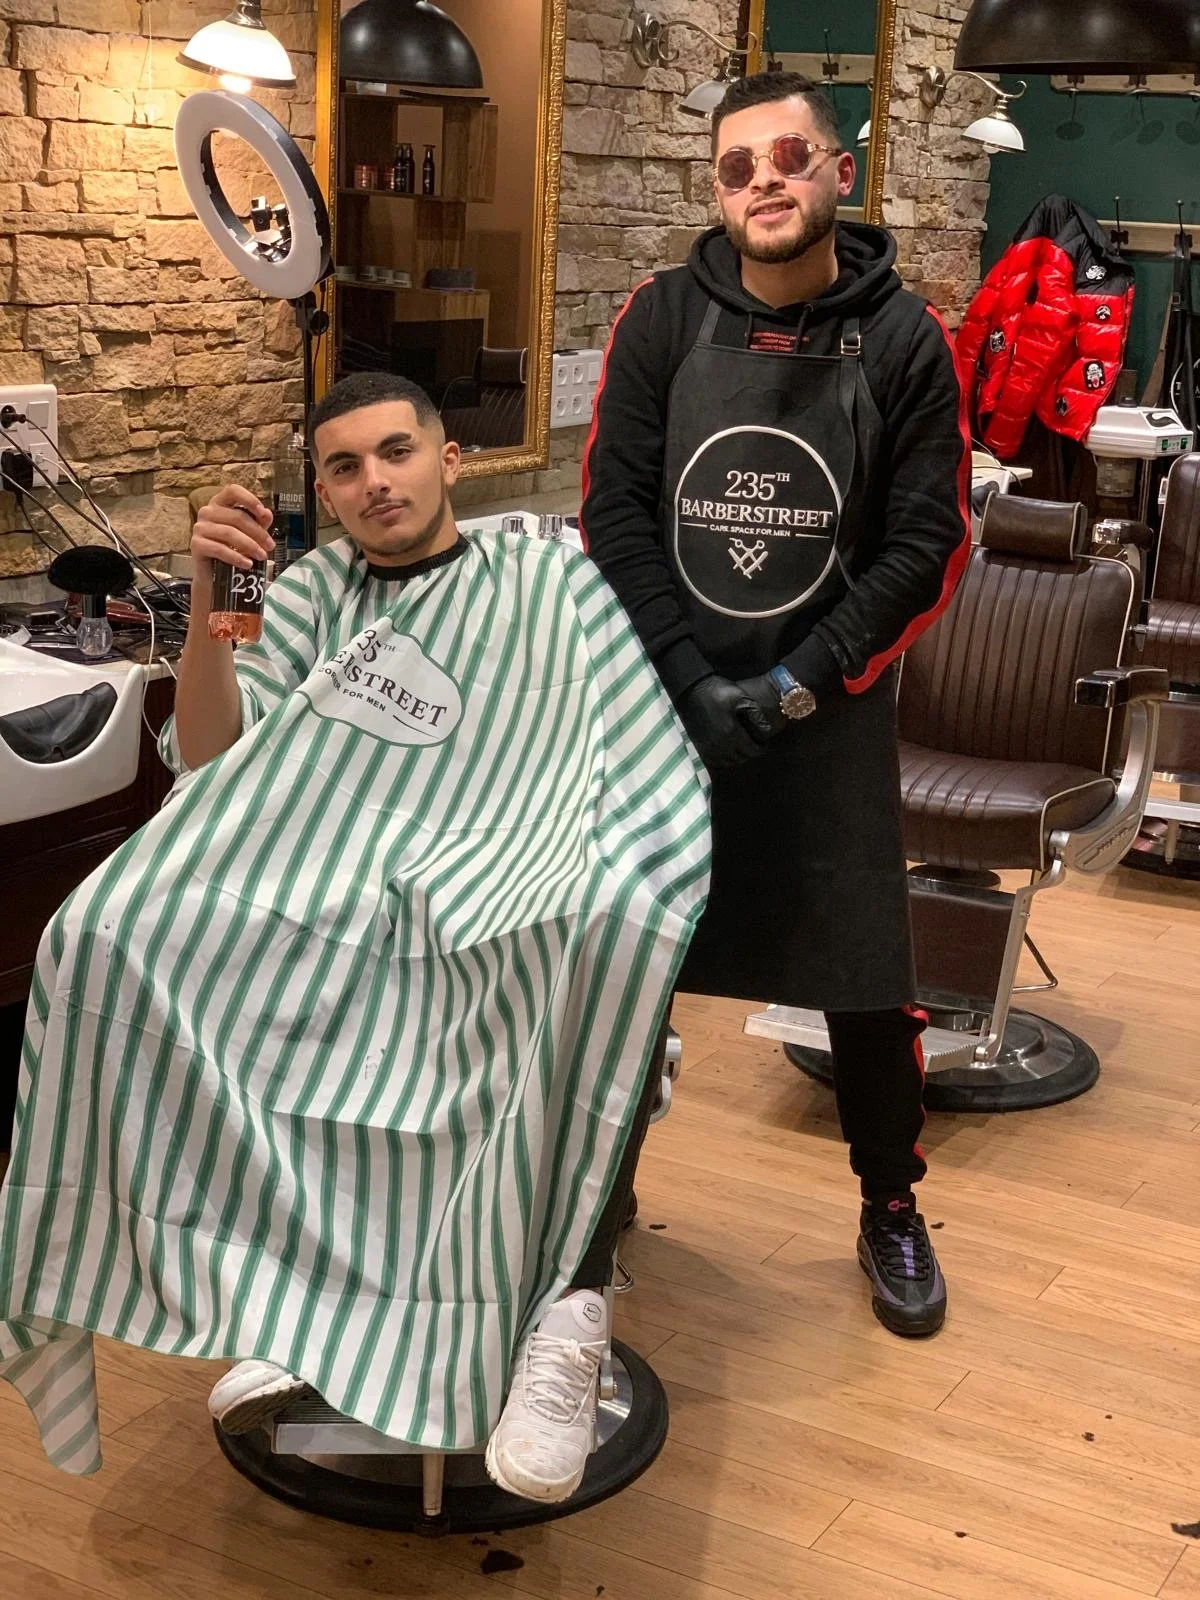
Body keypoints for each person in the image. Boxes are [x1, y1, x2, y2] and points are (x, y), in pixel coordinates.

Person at [0, 373, 709, 1504]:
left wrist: (580, 864)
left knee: (596, 933)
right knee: (101, 932)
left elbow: (625, 751)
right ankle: (300, 1301)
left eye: (395, 452)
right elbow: (211, 761)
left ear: (448, 460)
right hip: (333, 887)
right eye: (343, 467)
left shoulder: (542, 577)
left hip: (510, 876)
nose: (374, 482)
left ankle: (561, 1311)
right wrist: (210, 595)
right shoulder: (310, 596)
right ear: (323, 492)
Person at [581, 71, 971, 1337]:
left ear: (837, 174)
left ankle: (890, 1207)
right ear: (717, 187)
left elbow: (927, 544)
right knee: (622, 968)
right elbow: (615, 515)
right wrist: (693, 679)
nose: (765, 181)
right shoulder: (661, 321)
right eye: (738, 164)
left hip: (830, 711)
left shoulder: (905, 338)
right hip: (665, 713)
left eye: (790, 156)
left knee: (865, 977)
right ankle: (589, 1205)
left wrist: (801, 681)